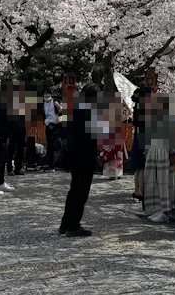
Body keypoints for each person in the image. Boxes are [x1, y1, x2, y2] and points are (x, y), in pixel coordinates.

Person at [59, 84, 99, 237]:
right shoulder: (88, 112)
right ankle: (73, 225)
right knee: (81, 191)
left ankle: (65, 223)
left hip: (73, 154)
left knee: (74, 188)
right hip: (85, 155)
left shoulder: (73, 109)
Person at [143, 93, 174, 224]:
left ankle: (165, 210)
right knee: (153, 181)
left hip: (163, 153)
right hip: (154, 152)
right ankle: (157, 207)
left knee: (164, 182)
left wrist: (173, 152)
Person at [42, 92, 61, 171]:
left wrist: (58, 106)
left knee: (53, 144)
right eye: (45, 96)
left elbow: (61, 111)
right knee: (49, 145)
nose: (47, 97)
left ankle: (52, 165)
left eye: (48, 95)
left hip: (55, 125)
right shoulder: (43, 104)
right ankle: (50, 164)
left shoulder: (55, 102)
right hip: (47, 125)